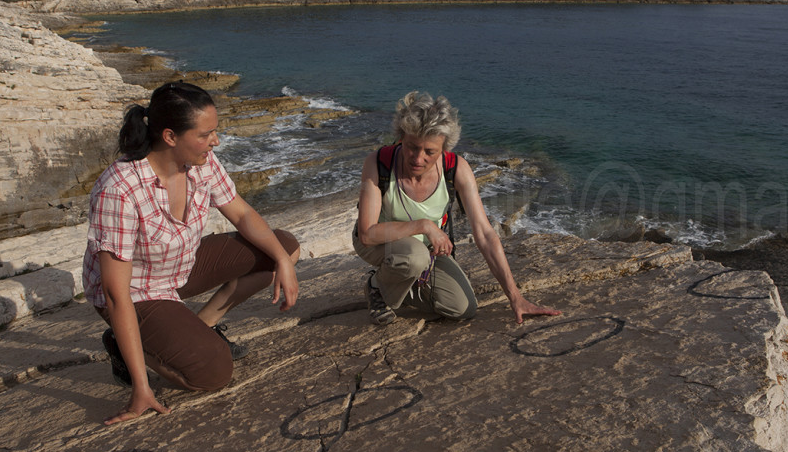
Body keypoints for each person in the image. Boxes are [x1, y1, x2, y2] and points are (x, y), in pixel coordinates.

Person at [83, 82, 300, 425]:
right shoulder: (120, 189)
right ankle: (127, 347)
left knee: (282, 245)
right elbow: (115, 292)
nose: (215, 141)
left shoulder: (202, 162)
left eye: (215, 132)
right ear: (170, 136)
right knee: (213, 373)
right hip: (137, 292)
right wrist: (141, 387)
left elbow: (242, 214)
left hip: (179, 267)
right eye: (205, 134)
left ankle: (203, 325)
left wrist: (284, 262)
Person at [354, 91, 561, 325]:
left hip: (426, 251)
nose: (417, 158)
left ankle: (402, 283)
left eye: (430, 152)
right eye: (411, 147)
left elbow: (484, 233)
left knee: (462, 308)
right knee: (414, 256)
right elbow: (367, 233)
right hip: (380, 242)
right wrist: (424, 226)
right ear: (401, 137)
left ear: (444, 149)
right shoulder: (379, 162)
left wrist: (515, 297)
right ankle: (377, 286)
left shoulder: (456, 168)